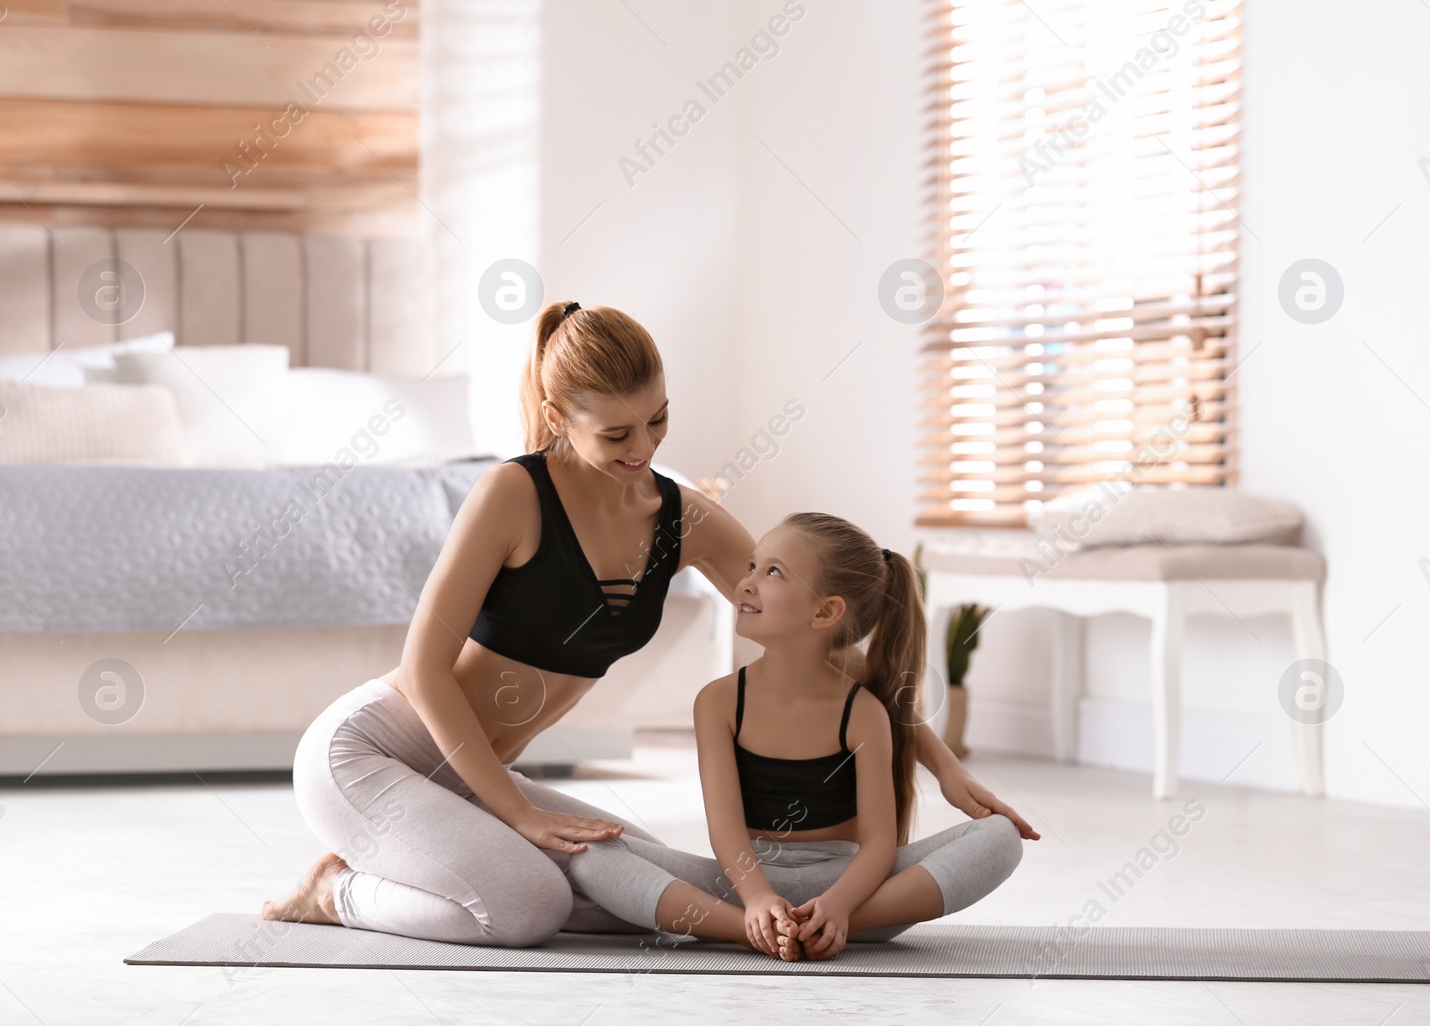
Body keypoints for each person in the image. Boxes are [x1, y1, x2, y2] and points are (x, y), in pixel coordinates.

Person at [262, 301, 1036, 947]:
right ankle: (338, 890)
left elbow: (810, 629)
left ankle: (434, 855)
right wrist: (520, 812)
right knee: (529, 907)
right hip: (370, 755)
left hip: (476, 780)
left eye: (658, 421)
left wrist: (940, 762)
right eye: (618, 434)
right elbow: (426, 667)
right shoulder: (512, 495)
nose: (645, 449)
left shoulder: (679, 516)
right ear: (558, 417)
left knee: (651, 894)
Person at [565, 512, 1031, 960]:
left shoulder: (864, 712)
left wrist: (841, 906)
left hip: (854, 892)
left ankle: (812, 926)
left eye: (772, 572)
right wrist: (757, 899)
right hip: (740, 886)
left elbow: (877, 844)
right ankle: (760, 931)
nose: (744, 582)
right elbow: (725, 832)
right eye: (751, 566)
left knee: (1000, 836)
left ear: (826, 612)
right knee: (593, 856)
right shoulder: (718, 702)